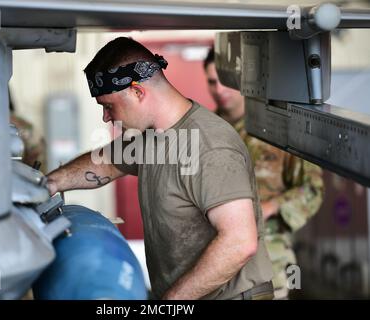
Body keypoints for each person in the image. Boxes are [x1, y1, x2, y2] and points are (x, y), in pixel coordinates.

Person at [46, 37, 274, 300]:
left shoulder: (210, 147)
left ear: (137, 92)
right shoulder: (152, 137)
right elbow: (106, 162)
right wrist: (48, 184)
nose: (106, 117)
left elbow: (239, 243)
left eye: (109, 106)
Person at [203, 47, 324, 299]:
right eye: (213, 82)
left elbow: (313, 189)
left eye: (226, 82)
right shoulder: (205, 133)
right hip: (214, 272)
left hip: (270, 269)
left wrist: (271, 206)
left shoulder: (278, 130)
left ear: (242, 82)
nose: (220, 90)